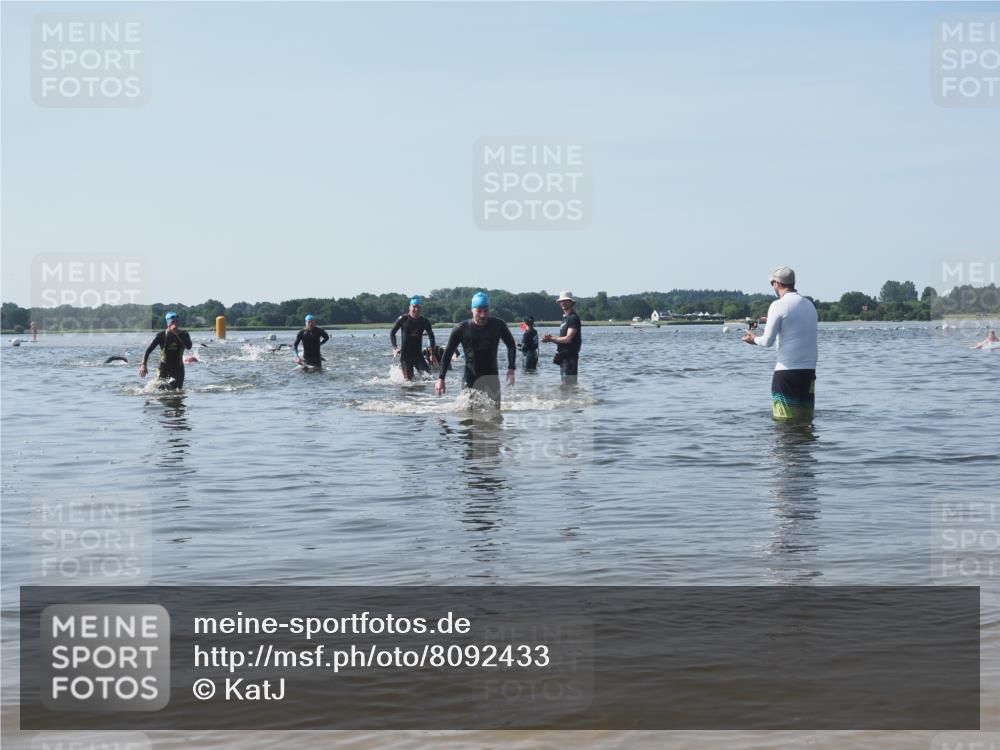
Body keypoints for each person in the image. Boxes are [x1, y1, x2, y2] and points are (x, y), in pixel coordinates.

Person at [743, 266, 818, 422]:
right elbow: (796, 330)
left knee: (784, 423)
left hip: (787, 373)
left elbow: (766, 342)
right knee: (805, 422)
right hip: (808, 373)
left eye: (772, 283)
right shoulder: (809, 304)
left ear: (776, 283)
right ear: (794, 282)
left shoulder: (778, 305)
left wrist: (753, 339)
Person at [436, 291, 516, 408]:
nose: (483, 315)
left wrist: (511, 369)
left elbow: (511, 345)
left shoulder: (498, 325)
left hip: (492, 378)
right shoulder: (461, 329)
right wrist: (441, 378)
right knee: (468, 420)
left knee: (495, 418)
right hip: (470, 379)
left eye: (486, 311)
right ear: (472, 310)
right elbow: (448, 353)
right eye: (479, 311)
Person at [139, 311, 193, 390]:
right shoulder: (161, 335)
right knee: (159, 388)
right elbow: (148, 350)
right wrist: (143, 365)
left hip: (178, 369)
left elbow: (188, 346)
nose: (175, 324)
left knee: (176, 392)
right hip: (163, 368)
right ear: (167, 323)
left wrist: (176, 333)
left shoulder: (184, 334)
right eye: (173, 322)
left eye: (177, 321)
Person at [390, 296, 436, 380]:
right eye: (414, 307)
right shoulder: (403, 319)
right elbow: (392, 333)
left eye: (418, 307)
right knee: (408, 383)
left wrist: (432, 354)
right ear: (409, 307)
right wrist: (395, 348)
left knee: (429, 378)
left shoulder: (424, 321)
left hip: (418, 355)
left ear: (421, 308)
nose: (416, 309)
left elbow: (431, 336)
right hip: (405, 357)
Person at [542, 291, 582, 385]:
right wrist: (550, 339)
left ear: (571, 303)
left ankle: (571, 400)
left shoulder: (573, 318)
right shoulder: (565, 319)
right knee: (565, 385)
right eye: (561, 301)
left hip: (570, 358)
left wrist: (551, 338)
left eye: (566, 301)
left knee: (569, 385)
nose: (563, 303)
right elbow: (562, 339)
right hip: (564, 357)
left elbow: (568, 339)